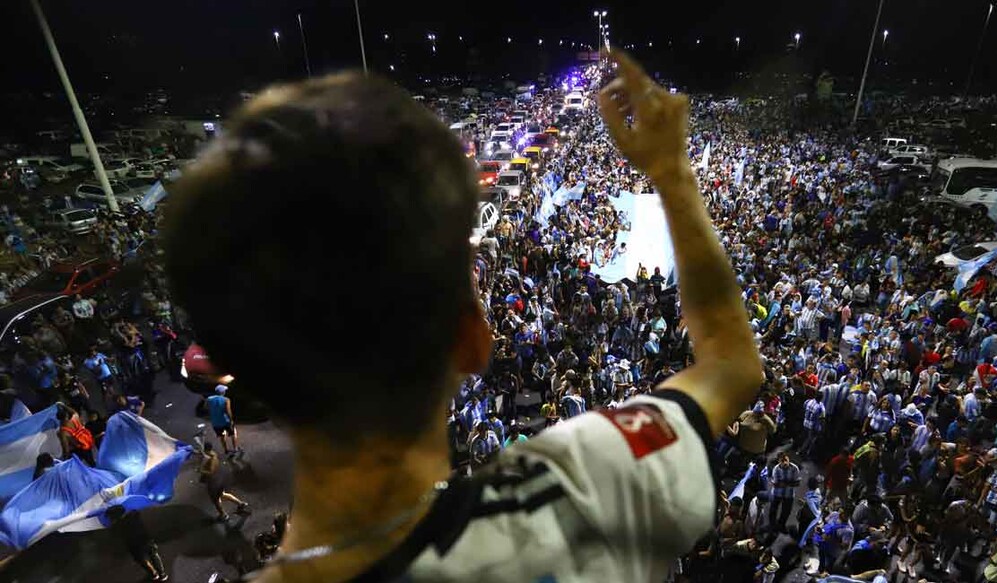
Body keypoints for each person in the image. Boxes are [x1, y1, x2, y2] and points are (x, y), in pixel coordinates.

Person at [162, 50, 763, 581]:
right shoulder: (580, 487)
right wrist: (671, 174)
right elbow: (732, 364)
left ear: (242, 384)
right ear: (474, 339)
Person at [106, 504, 168, 581]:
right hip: (145, 540)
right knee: (153, 555)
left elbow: (117, 535)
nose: (110, 518)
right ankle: (162, 574)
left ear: (114, 516)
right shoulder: (133, 515)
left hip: (134, 546)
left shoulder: (117, 526)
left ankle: (153, 574)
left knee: (142, 561)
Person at [199, 442, 251, 521]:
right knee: (222, 494)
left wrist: (201, 471)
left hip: (214, 482)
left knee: (216, 500)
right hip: (219, 479)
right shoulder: (212, 454)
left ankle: (223, 515)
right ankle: (240, 504)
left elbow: (211, 472)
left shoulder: (212, 458)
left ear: (205, 449)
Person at [769, 452, 801, 532]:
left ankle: (781, 525)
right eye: (782, 460)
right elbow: (775, 484)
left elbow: (797, 483)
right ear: (779, 461)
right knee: (773, 510)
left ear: (788, 459)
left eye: (786, 460)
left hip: (789, 494)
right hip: (777, 494)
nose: (785, 462)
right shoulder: (776, 469)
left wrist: (784, 483)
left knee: (786, 512)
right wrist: (789, 483)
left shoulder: (794, 468)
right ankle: (772, 526)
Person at [206, 384, 241, 455]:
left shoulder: (209, 399)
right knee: (233, 434)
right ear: (222, 392)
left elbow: (206, 407)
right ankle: (235, 449)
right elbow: (228, 411)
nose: (225, 391)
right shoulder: (226, 399)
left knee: (222, 436)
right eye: (224, 390)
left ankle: (226, 450)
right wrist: (231, 420)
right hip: (226, 421)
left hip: (215, 422)